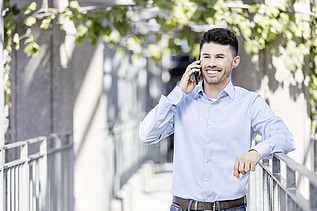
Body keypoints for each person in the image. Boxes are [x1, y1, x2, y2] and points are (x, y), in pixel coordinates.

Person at [139, 28, 295, 211]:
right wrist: (178, 92)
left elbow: (285, 137)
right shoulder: (181, 101)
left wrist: (256, 152)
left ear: (235, 61)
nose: (211, 63)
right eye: (206, 56)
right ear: (199, 60)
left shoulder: (249, 103)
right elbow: (146, 134)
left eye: (220, 57)